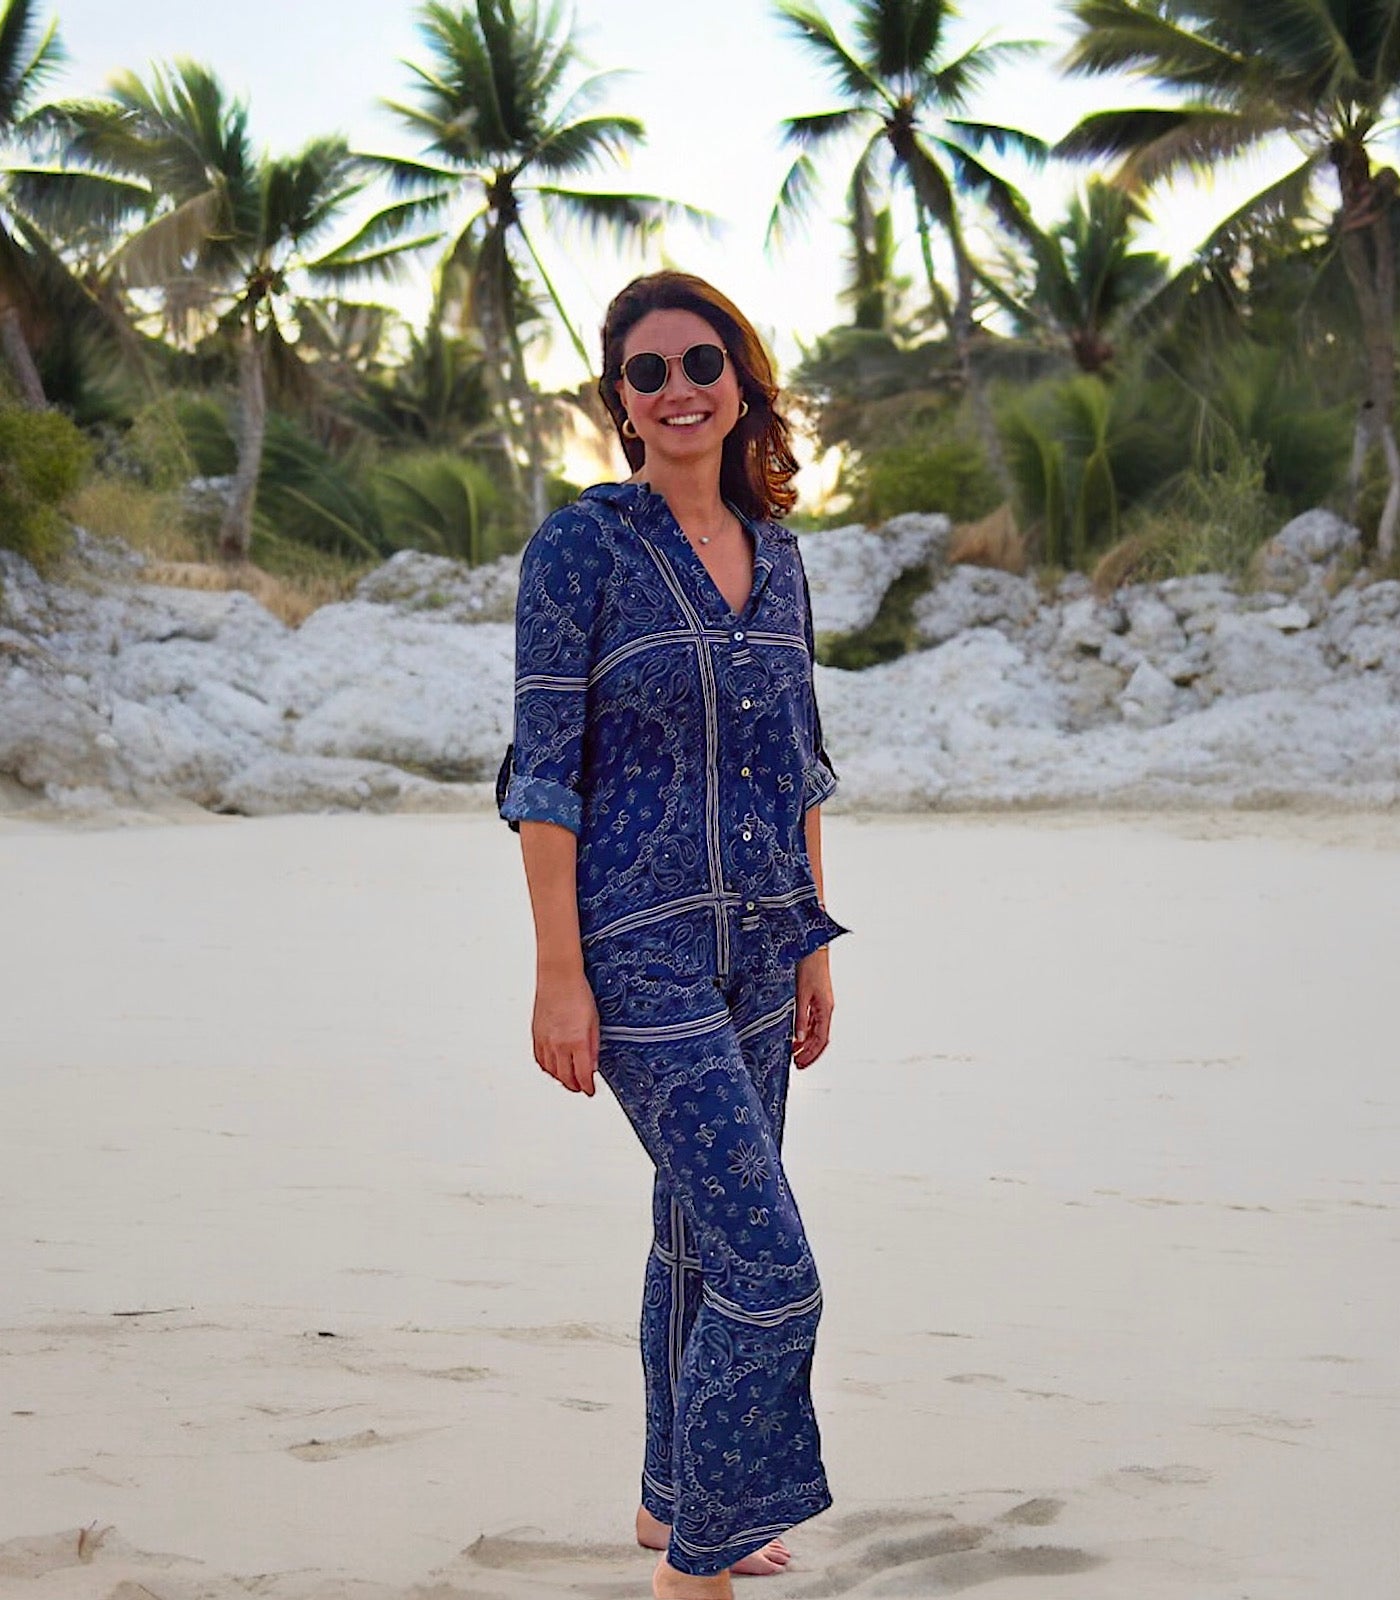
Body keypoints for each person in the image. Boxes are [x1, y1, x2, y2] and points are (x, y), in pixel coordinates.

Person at [497, 270, 848, 1600]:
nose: (679, 388)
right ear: (621, 401)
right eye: (648, 371)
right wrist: (558, 976)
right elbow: (543, 775)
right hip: (635, 951)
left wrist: (814, 945)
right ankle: (699, 1566)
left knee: (699, 1239)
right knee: (773, 1269)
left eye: (702, 361)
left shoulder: (782, 555)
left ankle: (669, 1502)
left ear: (742, 379)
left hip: (762, 943)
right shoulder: (578, 550)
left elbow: (799, 765)